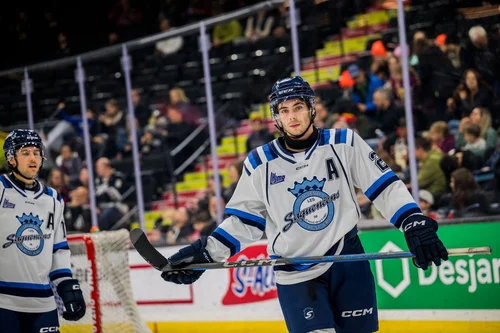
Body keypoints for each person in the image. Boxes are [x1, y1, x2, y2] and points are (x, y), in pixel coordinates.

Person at [160, 77, 449, 333]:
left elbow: (384, 187)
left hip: (347, 260)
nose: (292, 117)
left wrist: (411, 221)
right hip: (296, 274)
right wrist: (206, 252)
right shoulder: (260, 163)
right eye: (284, 111)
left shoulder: (343, 142)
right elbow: (245, 222)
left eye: (297, 107)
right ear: (276, 118)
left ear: (311, 108)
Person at [0, 129, 86, 333]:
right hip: (4, 302)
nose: (33, 158)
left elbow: (59, 249)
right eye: (25, 152)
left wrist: (66, 286)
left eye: (36, 152)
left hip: (44, 304)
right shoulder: (1, 190)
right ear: (11, 158)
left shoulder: (53, 199)